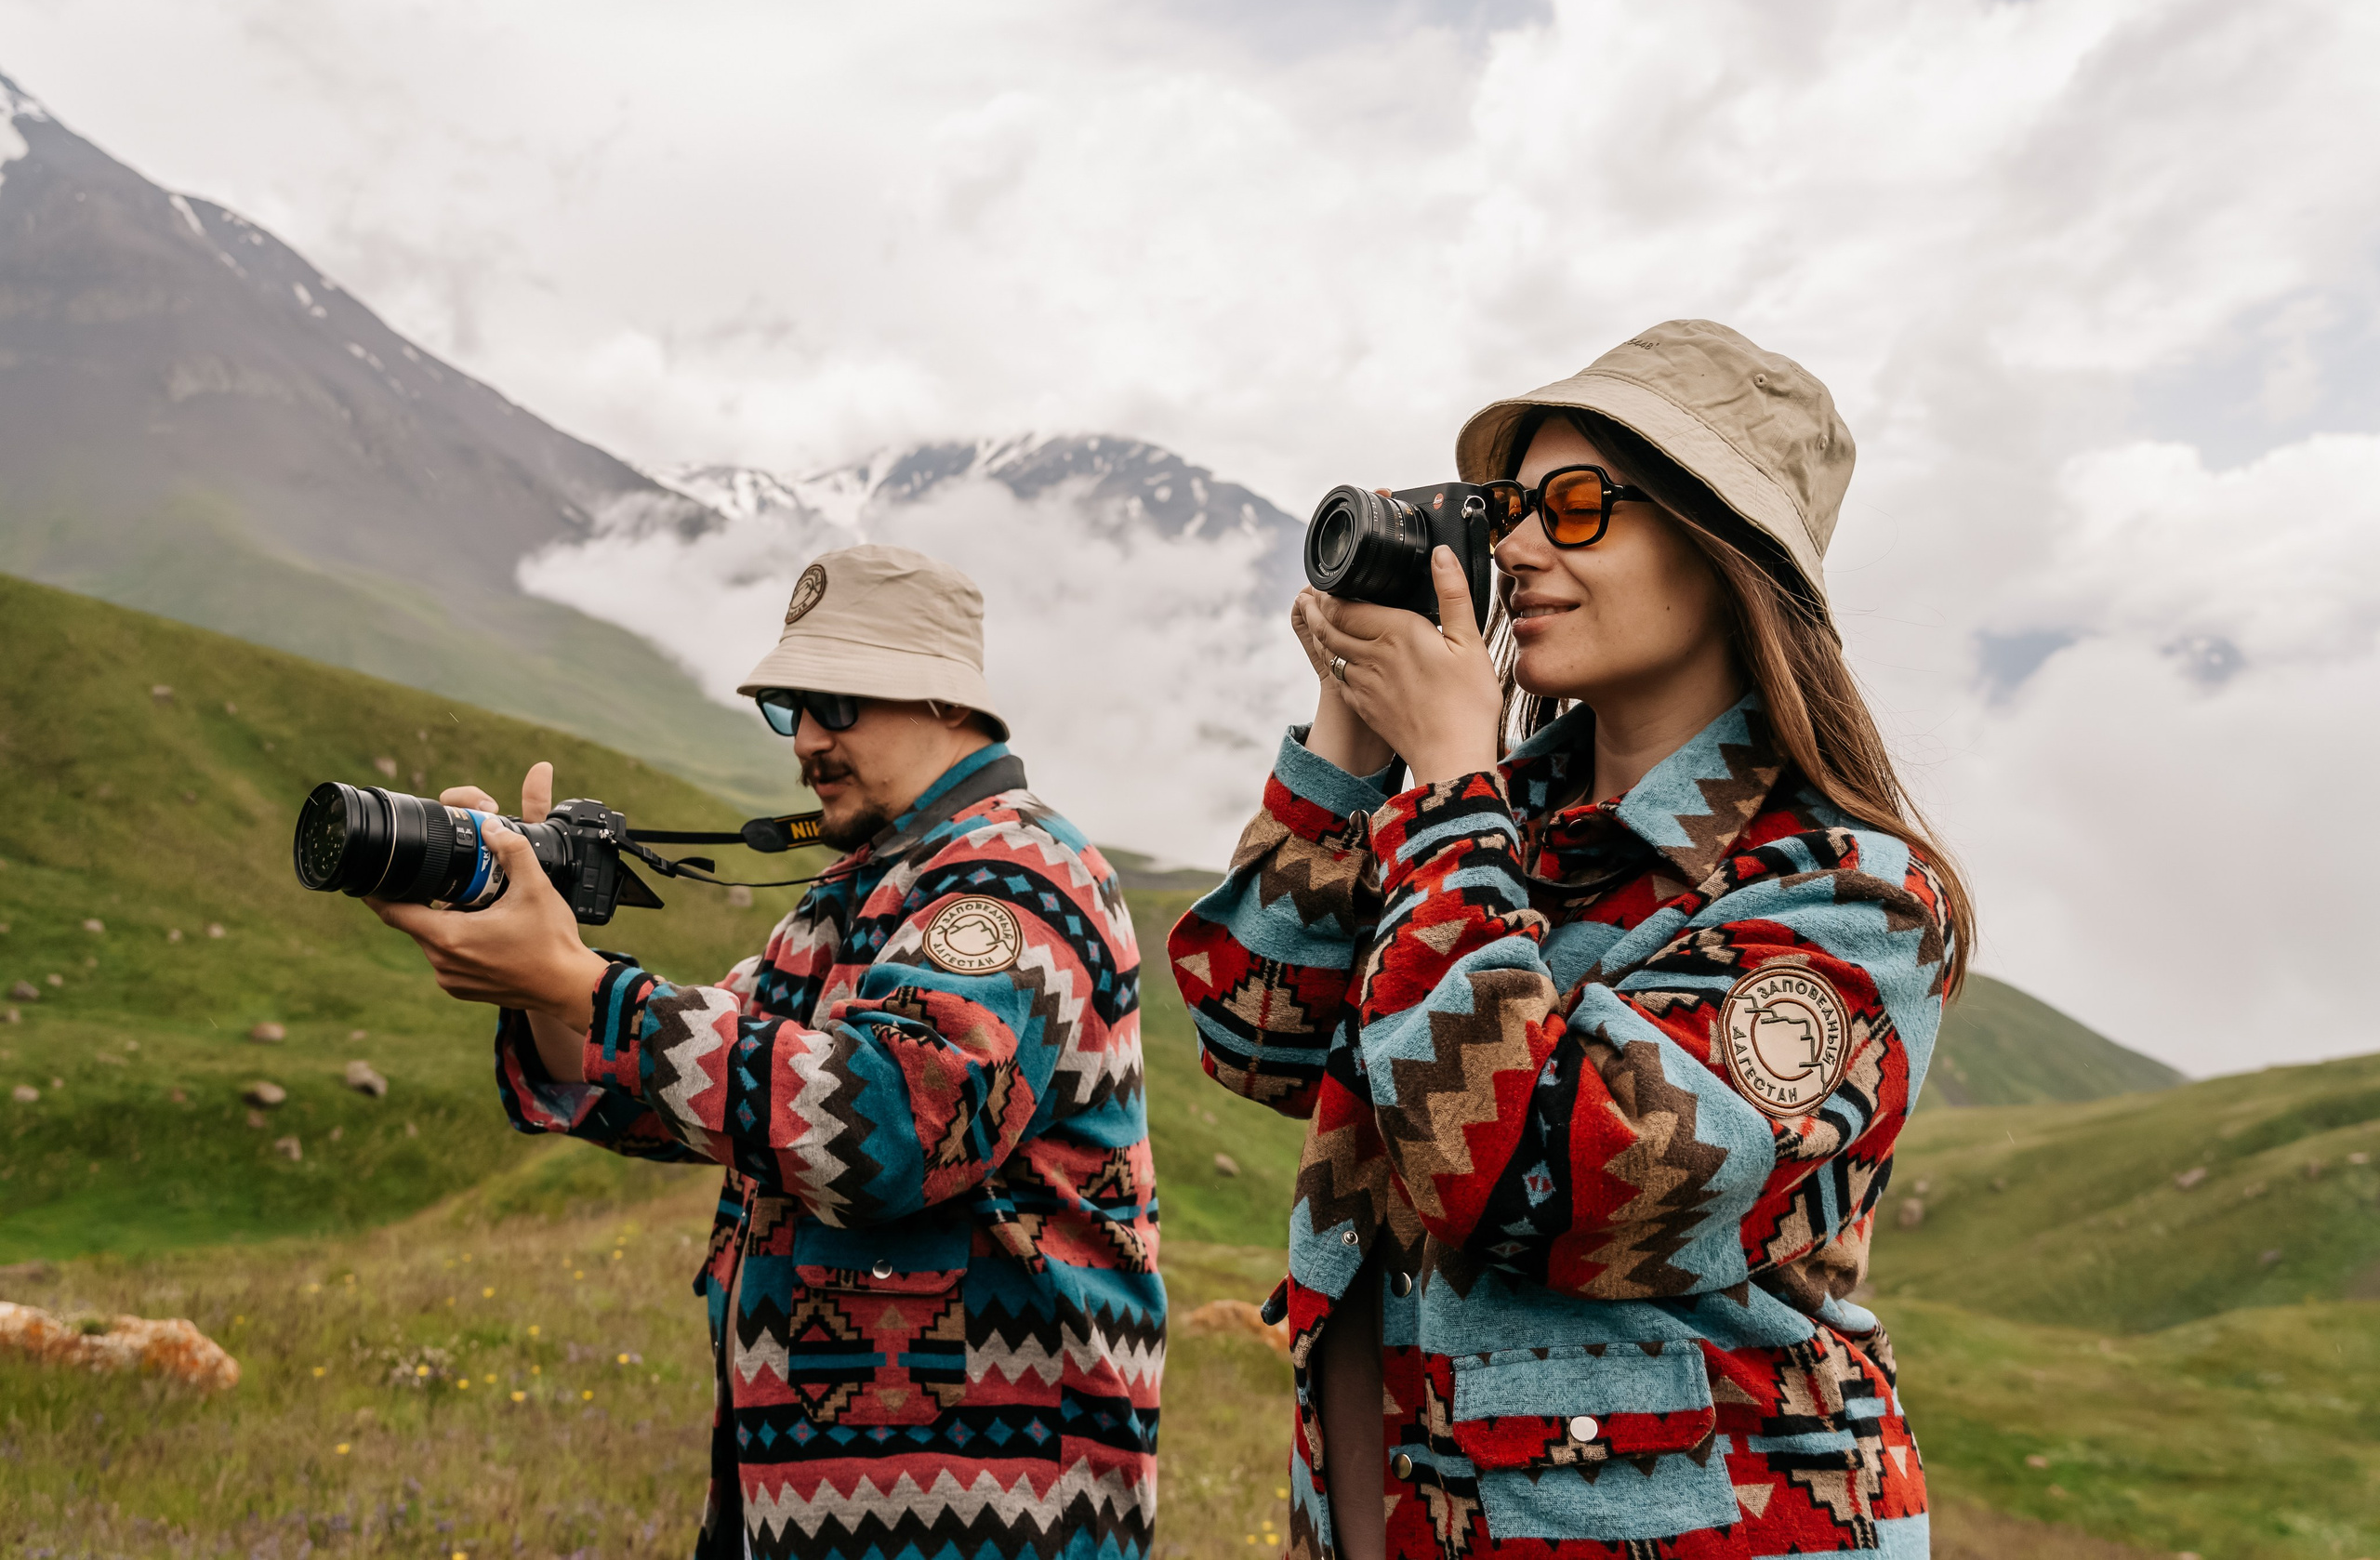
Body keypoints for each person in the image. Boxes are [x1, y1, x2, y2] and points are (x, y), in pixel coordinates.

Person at [1170, 321, 1970, 1559]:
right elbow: (1255, 1029)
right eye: (1511, 510)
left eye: (1579, 507)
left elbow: (1546, 1185)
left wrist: (1448, 791)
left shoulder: (1853, 896)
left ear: (1724, 547)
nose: (1518, 549)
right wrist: (1351, 730)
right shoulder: (1490, 830)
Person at [372, 544, 1162, 1560]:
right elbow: (670, 1093)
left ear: (944, 698)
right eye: (792, 706)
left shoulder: (1016, 872)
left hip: (999, 1522)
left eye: (838, 702)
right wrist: (537, 960)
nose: (809, 740)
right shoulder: (851, 896)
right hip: (807, 1515)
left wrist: (583, 986)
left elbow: (894, 1125)